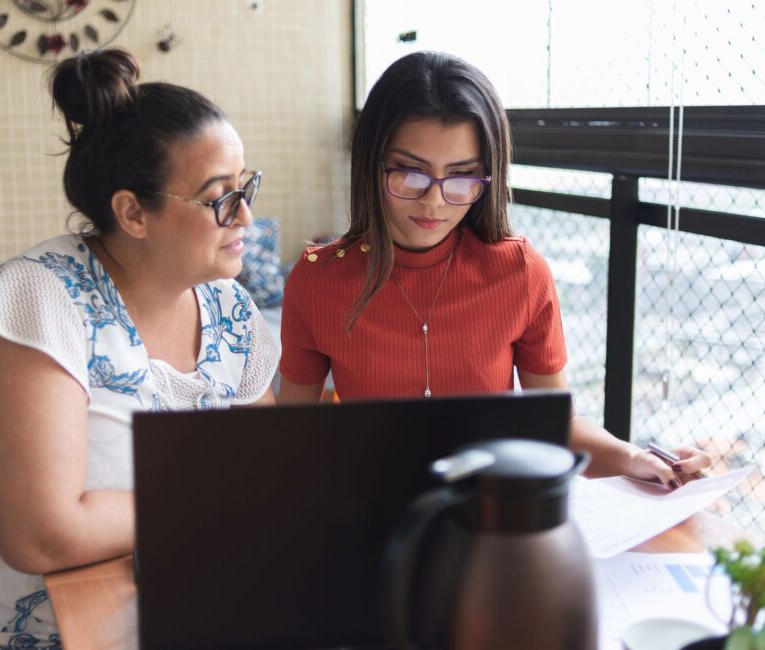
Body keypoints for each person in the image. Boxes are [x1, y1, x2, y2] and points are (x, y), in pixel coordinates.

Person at [0, 48, 279, 648]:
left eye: (246, 187)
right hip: (10, 634)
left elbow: (268, 467)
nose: (245, 215)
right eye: (219, 196)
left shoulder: (228, 306)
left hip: (170, 611)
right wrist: (215, 498)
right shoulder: (41, 299)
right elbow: (43, 534)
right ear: (133, 212)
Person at [278, 50, 710, 483]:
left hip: (490, 512)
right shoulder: (318, 279)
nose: (433, 200)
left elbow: (555, 428)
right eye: (409, 172)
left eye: (462, 175)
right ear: (371, 164)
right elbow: (291, 437)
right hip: (370, 506)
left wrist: (638, 460)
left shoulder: (520, 272)